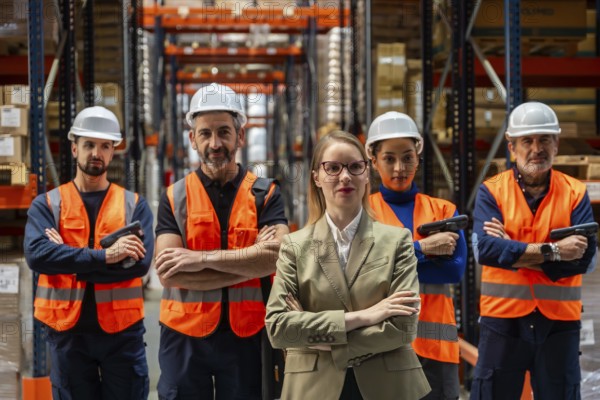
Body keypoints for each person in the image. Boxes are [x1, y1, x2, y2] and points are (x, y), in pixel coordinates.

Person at [265, 131, 431, 400]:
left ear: (367, 174)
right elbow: (280, 328)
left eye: (355, 167)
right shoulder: (295, 247)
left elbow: (403, 326)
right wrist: (366, 316)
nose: (345, 177)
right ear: (316, 177)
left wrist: (319, 338)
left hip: (388, 386)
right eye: (332, 168)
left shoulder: (397, 240)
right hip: (313, 387)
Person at [154, 83, 289, 399]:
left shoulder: (266, 194)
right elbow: (169, 273)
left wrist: (199, 259)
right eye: (205, 133)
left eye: (224, 132)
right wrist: (252, 261)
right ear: (193, 139)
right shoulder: (174, 197)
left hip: (246, 336)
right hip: (183, 335)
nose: (215, 143)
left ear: (240, 136)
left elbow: (277, 256)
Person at [24, 106, 154, 399]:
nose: (97, 152)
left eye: (105, 146)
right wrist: (107, 256)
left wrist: (65, 257)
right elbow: (37, 256)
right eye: (89, 145)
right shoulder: (48, 205)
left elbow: (138, 265)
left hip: (123, 335)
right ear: (74, 148)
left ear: (112, 151)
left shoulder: (134, 206)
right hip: (68, 336)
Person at [470, 101, 597, 399]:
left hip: (559, 324)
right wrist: (554, 251)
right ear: (512, 147)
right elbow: (487, 250)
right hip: (502, 322)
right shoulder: (492, 191)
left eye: (544, 140)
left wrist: (513, 252)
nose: (536, 148)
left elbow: (585, 257)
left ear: (556, 144)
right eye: (527, 141)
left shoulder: (575, 193)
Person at [365, 112, 467, 400]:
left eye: (408, 157)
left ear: (418, 157)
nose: (400, 168)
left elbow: (454, 271)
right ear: (373, 160)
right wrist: (424, 249)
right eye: (389, 158)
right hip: (383, 344)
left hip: (438, 347)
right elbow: (364, 270)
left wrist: (391, 259)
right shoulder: (364, 214)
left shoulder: (444, 211)